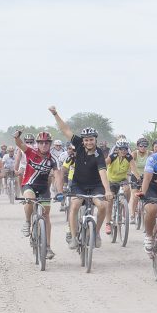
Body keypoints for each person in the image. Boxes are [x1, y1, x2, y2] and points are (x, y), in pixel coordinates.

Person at [50, 106, 112, 250]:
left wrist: (107, 190)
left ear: (95, 140)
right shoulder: (77, 144)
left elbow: (103, 172)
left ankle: (96, 234)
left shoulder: (99, 155)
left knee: (102, 206)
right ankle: (73, 236)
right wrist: (55, 114)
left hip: (96, 185)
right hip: (78, 184)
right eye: (86, 140)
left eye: (91, 140)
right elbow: (65, 129)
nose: (89, 142)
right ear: (82, 141)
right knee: (75, 205)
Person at [14, 130, 61, 259]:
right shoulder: (31, 151)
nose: (44, 145)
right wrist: (17, 137)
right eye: (41, 142)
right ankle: (28, 222)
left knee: (46, 216)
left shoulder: (53, 159)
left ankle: (47, 247)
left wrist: (60, 192)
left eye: (46, 143)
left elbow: (57, 175)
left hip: (44, 188)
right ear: (37, 143)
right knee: (30, 199)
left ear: (50, 144)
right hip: (29, 185)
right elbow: (20, 144)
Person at [104, 139, 135, 236]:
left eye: (125, 149)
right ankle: (108, 223)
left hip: (122, 179)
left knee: (127, 189)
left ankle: (124, 206)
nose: (123, 151)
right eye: (121, 149)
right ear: (118, 149)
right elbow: (104, 163)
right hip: (111, 181)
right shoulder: (113, 156)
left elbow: (134, 169)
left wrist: (139, 179)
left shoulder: (129, 157)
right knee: (110, 200)